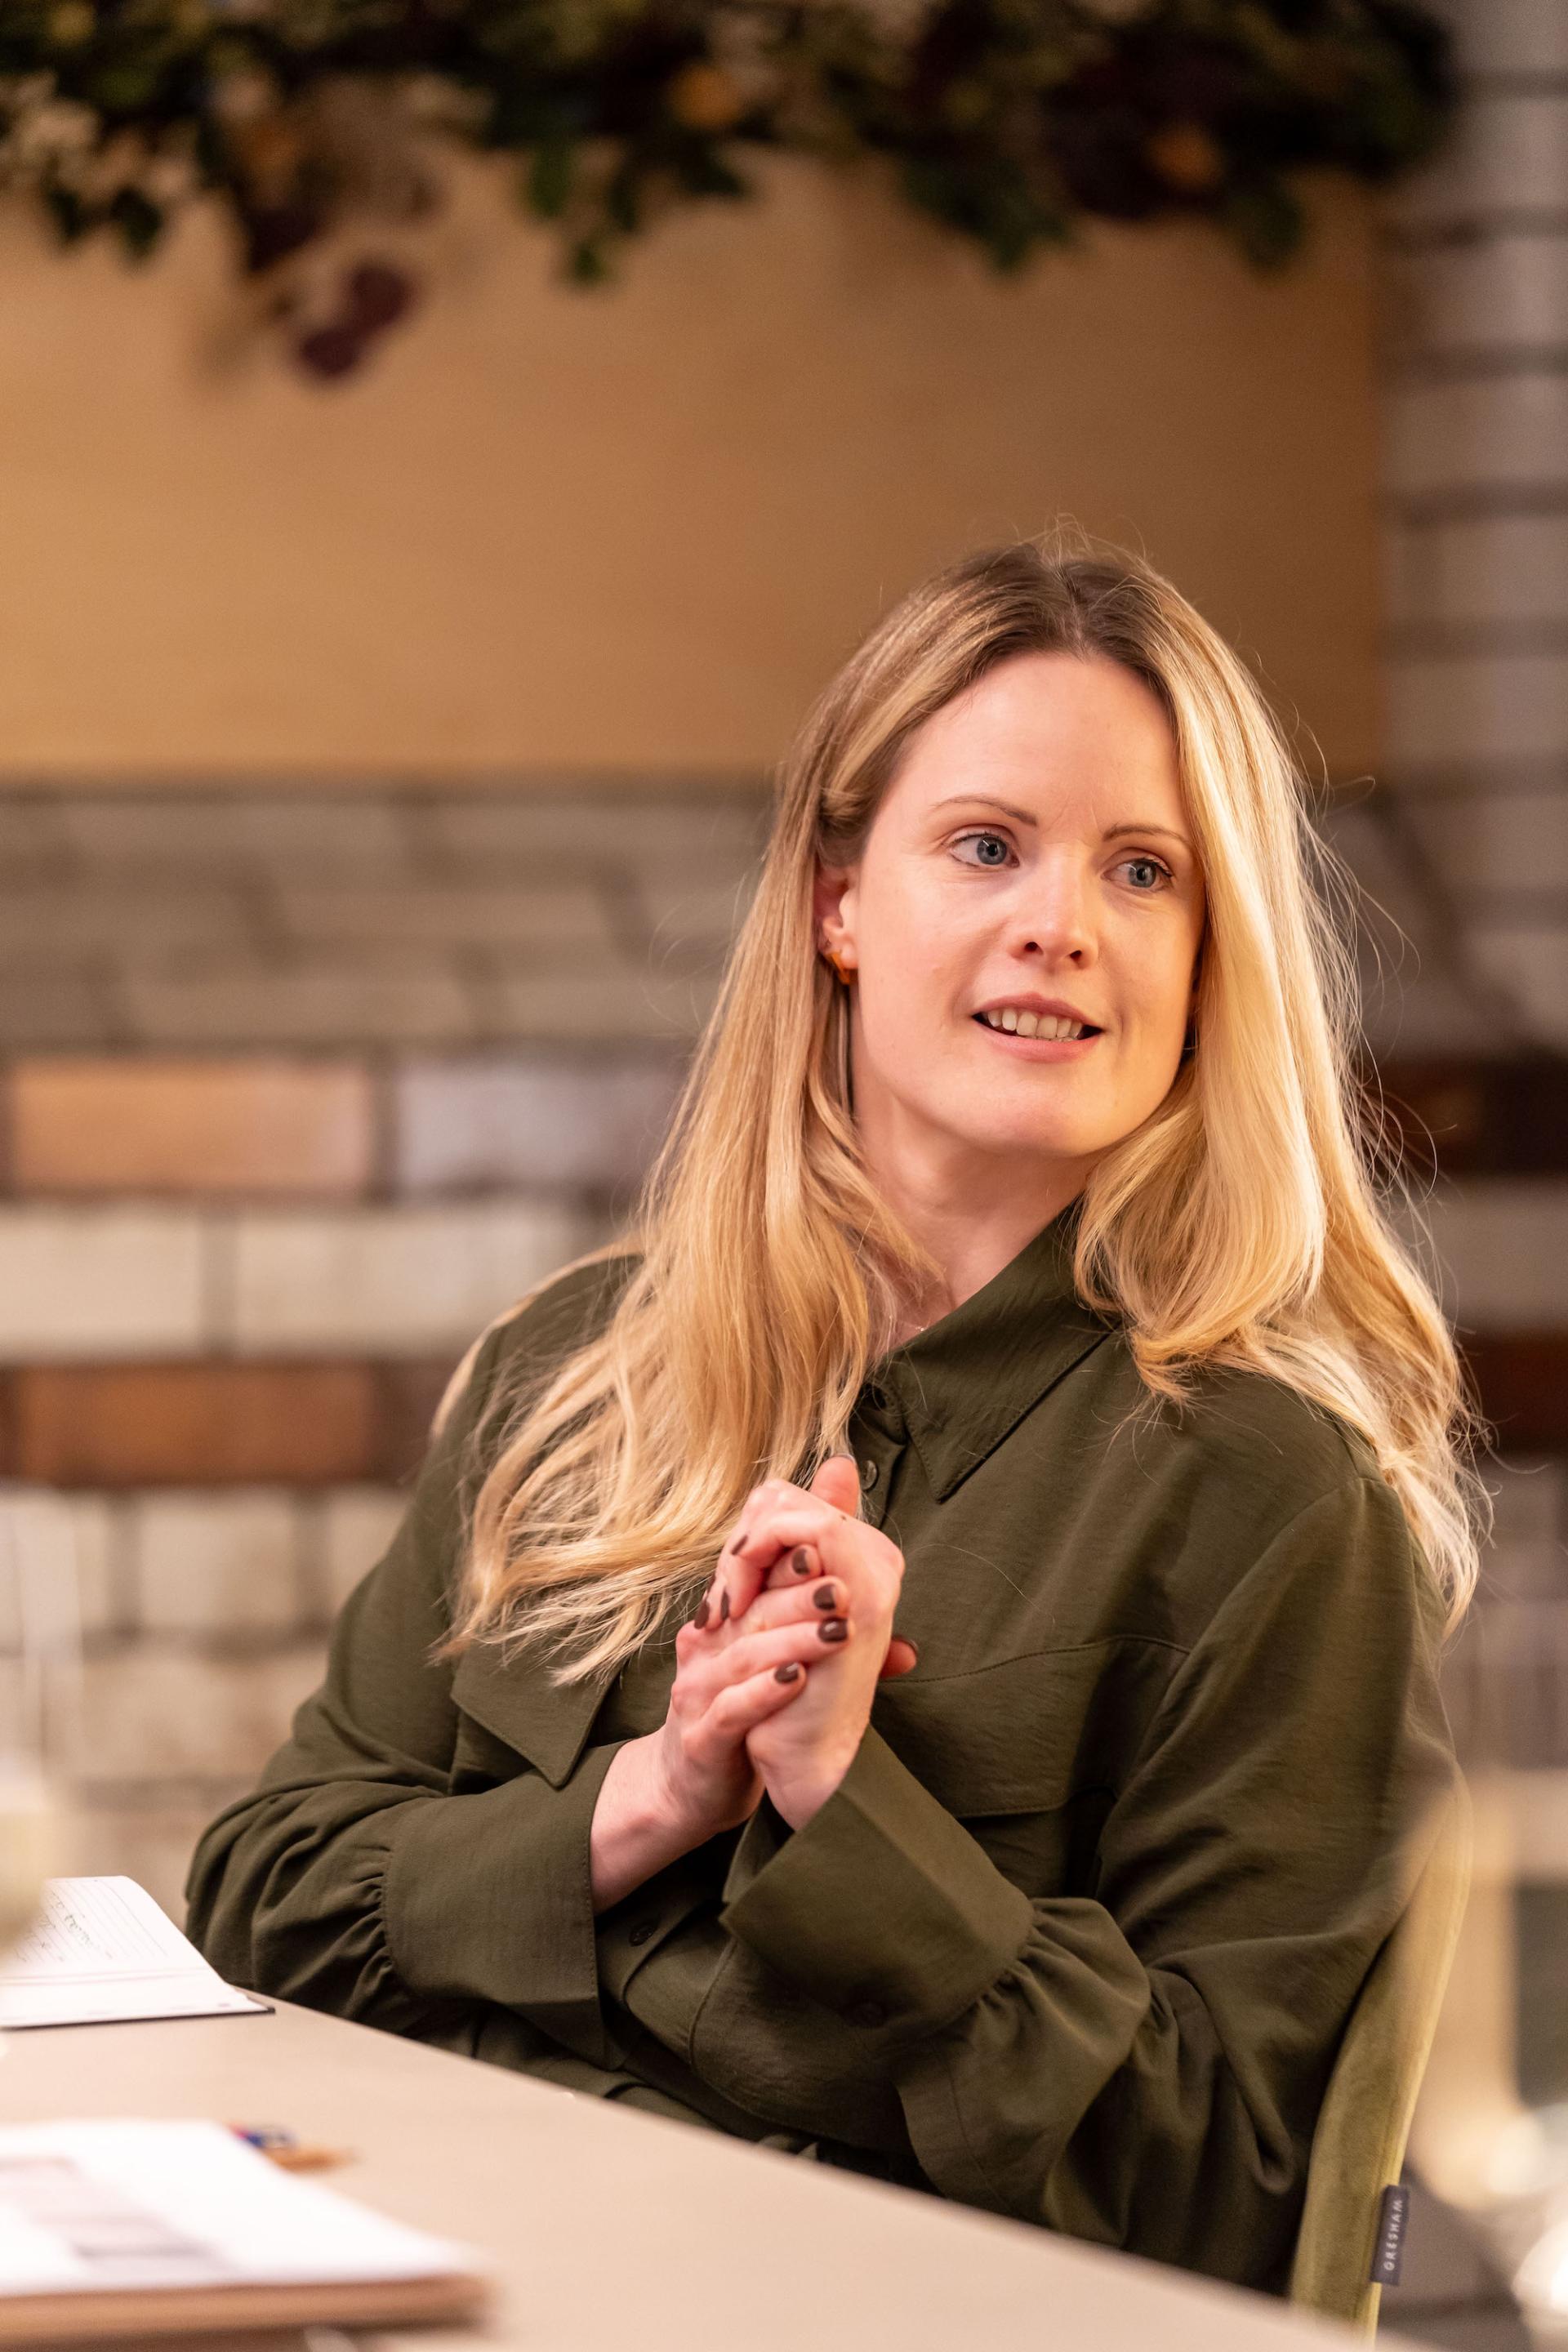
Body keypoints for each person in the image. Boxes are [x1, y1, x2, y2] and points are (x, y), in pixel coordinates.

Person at [185, 532, 1482, 2297]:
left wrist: (839, 1801)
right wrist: (646, 1800)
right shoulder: (575, 1372)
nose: (1063, 924)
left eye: (1146, 871)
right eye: (986, 845)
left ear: (1211, 958)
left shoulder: (1271, 1489)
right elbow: (261, 1900)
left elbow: (1240, 2199)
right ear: (838, 903)